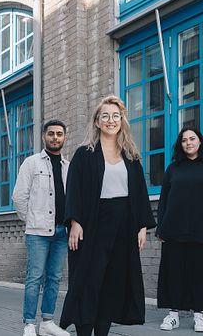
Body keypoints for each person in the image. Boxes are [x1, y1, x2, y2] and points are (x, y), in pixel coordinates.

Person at [60, 95, 157, 336]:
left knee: (113, 283)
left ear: (122, 120)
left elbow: (139, 193)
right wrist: (74, 221)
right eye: (105, 116)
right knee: (88, 281)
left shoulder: (131, 155)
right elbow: (74, 190)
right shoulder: (84, 154)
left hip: (124, 224)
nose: (110, 120)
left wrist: (142, 226)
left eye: (116, 116)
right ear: (97, 121)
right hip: (92, 223)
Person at [156, 127, 203, 332]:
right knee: (173, 272)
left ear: (200, 142)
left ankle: (199, 315)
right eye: (184, 140)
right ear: (180, 144)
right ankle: (173, 315)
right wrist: (161, 227)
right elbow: (163, 201)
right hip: (174, 229)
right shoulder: (173, 168)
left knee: (200, 273)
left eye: (192, 138)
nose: (188, 143)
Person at [12, 120, 71, 336]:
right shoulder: (31, 163)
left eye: (59, 134)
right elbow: (19, 197)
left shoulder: (68, 166)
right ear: (44, 136)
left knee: (54, 277)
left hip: (61, 232)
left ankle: (47, 322)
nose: (55, 137)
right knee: (34, 277)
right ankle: (29, 323)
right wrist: (32, 220)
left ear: (65, 137)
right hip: (37, 232)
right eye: (51, 134)